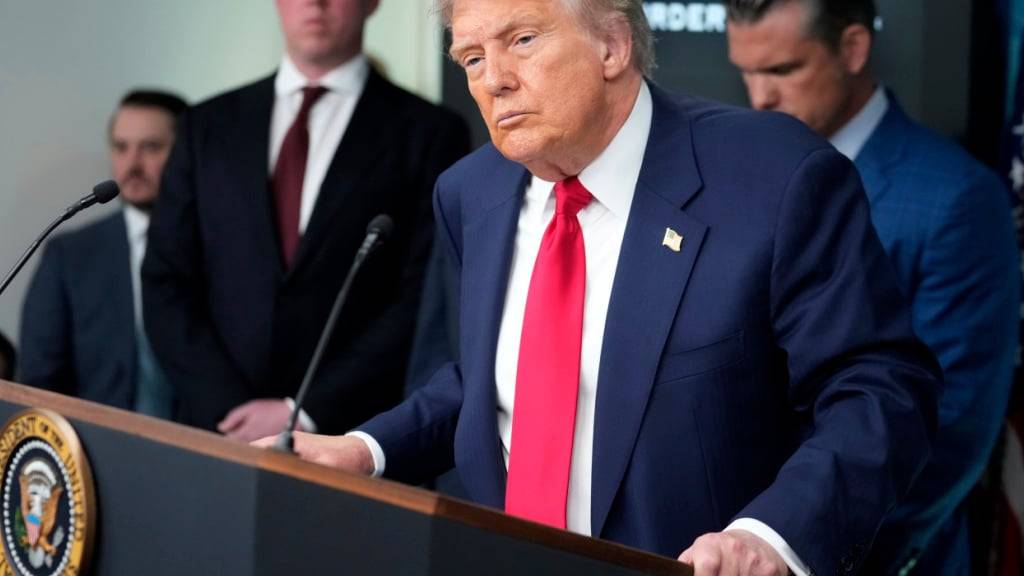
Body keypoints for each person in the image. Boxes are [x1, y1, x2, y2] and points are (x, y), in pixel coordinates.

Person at [255, 1, 942, 574]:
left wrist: (770, 536)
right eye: (470, 58)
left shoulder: (775, 176)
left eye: (521, 40)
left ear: (612, 44)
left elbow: (878, 387)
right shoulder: (471, 193)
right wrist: (368, 450)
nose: (493, 79)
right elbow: (488, 379)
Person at [726, 1, 1020, 572]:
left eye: (783, 70)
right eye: (747, 70)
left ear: (854, 49)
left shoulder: (957, 201)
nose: (759, 97)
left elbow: (949, 433)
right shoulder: (736, 178)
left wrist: (794, 546)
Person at [142, 0, 469, 441]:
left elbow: (421, 298)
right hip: (214, 430)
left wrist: (305, 410)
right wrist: (225, 406)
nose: (314, 3)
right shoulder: (207, 126)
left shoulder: (429, 132)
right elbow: (167, 280)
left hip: (353, 437)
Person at [19, 90, 187, 417]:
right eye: (121, 147)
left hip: (206, 451)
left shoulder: (223, 249)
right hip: (89, 452)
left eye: (151, 147)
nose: (132, 164)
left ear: (186, 152)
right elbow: (40, 381)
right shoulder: (69, 255)